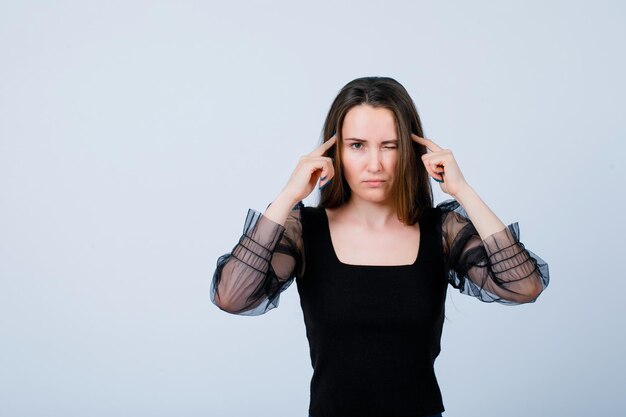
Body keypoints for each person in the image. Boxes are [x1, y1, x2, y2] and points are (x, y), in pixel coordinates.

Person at [210, 76, 550, 417]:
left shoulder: (441, 231)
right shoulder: (305, 231)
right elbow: (233, 296)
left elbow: (524, 286)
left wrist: (463, 191)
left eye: (390, 145)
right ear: (334, 152)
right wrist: (288, 195)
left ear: (411, 151)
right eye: (357, 145)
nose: (375, 164)